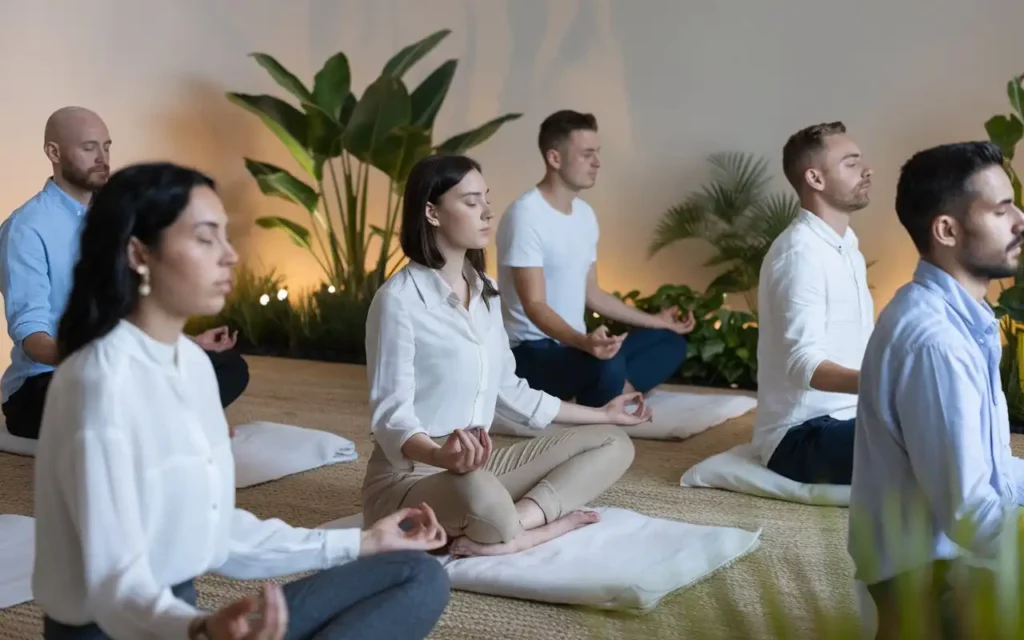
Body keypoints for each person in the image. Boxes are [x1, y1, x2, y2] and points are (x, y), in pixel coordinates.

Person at [32, 162, 451, 639]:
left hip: (184, 616)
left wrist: (363, 541)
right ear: (138, 254)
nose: (230, 256)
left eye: (225, 237)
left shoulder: (189, 364)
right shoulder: (98, 383)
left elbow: (215, 532)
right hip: (117, 627)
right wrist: (201, 630)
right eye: (206, 238)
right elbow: (112, 584)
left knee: (415, 575)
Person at [363, 154, 648, 559]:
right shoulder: (399, 301)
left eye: (486, 199)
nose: (487, 212)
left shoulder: (485, 291)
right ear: (431, 211)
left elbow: (510, 390)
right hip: (411, 474)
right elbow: (391, 418)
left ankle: (515, 526)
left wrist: (606, 413)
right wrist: (441, 456)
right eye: (471, 201)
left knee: (614, 443)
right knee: (481, 496)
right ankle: (528, 531)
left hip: (476, 461)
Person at [848, 141, 1024, 638]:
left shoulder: (958, 318)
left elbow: (992, 472)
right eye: (1001, 209)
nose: (1020, 220)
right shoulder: (936, 343)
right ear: (946, 229)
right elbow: (970, 515)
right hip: (926, 584)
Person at [0, 106, 249, 440]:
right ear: (54, 152)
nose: (102, 157)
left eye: (106, 146)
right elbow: (34, 341)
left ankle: (166, 416)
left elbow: (128, 317)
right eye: (89, 148)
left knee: (227, 367)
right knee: (114, 388)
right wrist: (104, 356)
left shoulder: (115, 219)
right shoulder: (26, 228)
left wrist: (184, 343)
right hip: (44, 384)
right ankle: (179, 419)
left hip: (117, 368)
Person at [494, 110, 694, 408]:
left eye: (597, 153)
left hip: (574, 345)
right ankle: (608, 389)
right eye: (587, 154)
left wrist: (656, 321)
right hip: (530, 352)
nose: (597, 162)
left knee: (669, 341)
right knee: (605, 365)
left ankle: (610, 390)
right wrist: (583, 342)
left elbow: (593, 294)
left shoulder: (584, 215)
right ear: (554, 158)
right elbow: (534, 306)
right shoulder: (525, 216)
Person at [752, 121, 875, 485]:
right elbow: (802, 365)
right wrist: (883, 382)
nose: (867, 170)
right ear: (815, 179)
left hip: (853, 415)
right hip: (798, 436)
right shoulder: (798, 254)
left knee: (953, 423)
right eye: (850, 164)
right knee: (932, 443)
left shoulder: (846, 246)